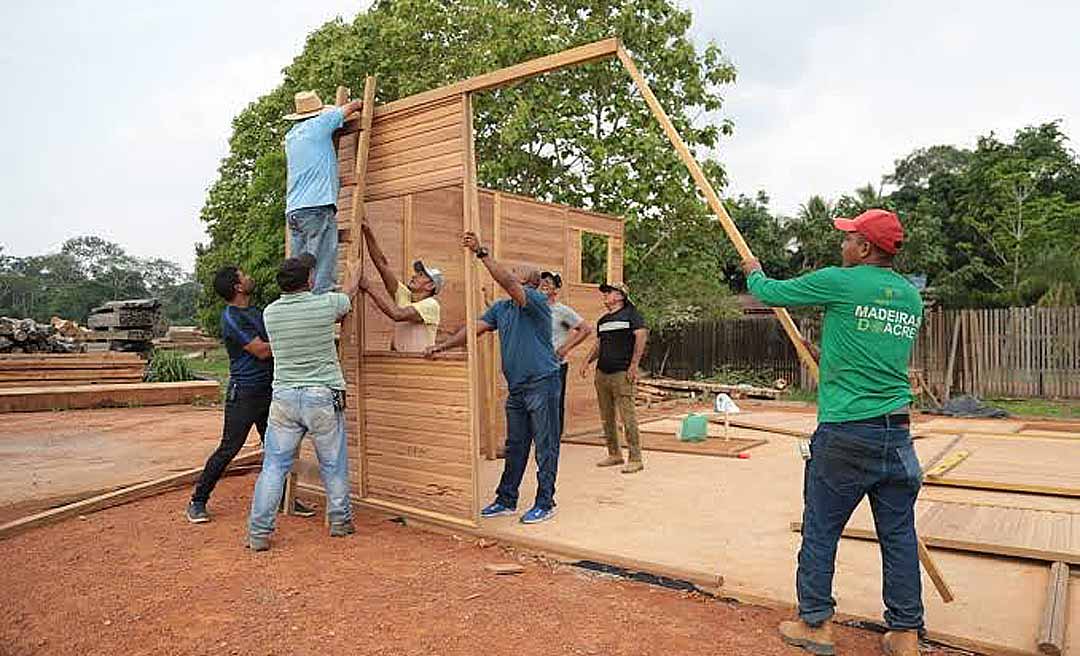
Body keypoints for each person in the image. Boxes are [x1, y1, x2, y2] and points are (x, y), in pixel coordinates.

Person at [741, 209, 925, 656]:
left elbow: (771, 293)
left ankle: (815, 624)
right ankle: (905, 633)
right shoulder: (909, 295)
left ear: (864, 248)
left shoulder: (841, 281)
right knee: (898, 535)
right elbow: (874, 356)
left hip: (846, 434)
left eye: (848, 239)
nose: (842, 245)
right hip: (897, 434)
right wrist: (824, 353)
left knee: (821, 529)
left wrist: (753, 272)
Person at [425, 232, 561, 524]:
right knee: (515, 445)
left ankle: (546, 502)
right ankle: (506, 499)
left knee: (546, 445)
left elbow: (507, 282)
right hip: (518, 388)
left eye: (517, 271)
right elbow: (474, 328)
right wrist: (443, 345)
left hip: (542, 382)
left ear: (528, 281)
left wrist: (482, 253)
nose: (511, 272)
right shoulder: (501, 309)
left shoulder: (535, 301)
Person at [247, 255, 363, 551]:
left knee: (273, 466)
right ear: (309, 279)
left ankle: (258, 533)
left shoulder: (270, 313)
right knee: (333, 463)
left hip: (284, 398)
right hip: (322, 396)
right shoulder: (325, 304)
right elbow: (348, 297)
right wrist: (354, 274)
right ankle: (339, 521)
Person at [186, 267, 315, 523]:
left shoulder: (257, 312)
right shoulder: (232, 317)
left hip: (270, 390)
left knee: (278, 448)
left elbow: (276, 338)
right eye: (243, 275)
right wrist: (297, 341)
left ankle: (283, 499)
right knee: (229, 448)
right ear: (237, 286)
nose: (249, 277)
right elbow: (261, 351)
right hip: (244, 394)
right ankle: (197, 501)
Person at [283, 90, 365, 294]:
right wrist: (359, 102)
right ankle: (322, 303)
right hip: (316, 207)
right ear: (317, 112)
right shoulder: (319, 124)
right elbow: (353, 107)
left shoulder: (292, 135)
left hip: (294, 211)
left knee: (299, 268)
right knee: (323, 264)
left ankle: (300, 305)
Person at [580, 282, 648, 474]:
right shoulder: (603, 321)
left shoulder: (632, 315)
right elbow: (600, 344)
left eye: (608, 292)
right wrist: (586, 361)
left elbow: (641, 337)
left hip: (622, 373)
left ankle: (635, 458)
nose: (605, 295)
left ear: (620, 295)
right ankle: (614, 454)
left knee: (628, 416)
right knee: (606, 416)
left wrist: (634, 365)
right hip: (602, 373)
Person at [356, 222, 444, 351]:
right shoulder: (405, 296)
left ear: (430, 285)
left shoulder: (431, 305)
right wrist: (368, 232)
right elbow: (382, 265)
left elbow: (397, 315)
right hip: (400, 363)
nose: (414, 276)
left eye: (420, 275)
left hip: (420, 366)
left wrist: (370, 288)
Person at [538, 271, 593, 437]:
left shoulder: (562, 312)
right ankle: (538, 436)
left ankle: (554, 437)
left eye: (549, 282)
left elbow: (585, 329)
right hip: (535, 364)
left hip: (555, 365)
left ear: (557, 288)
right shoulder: (534, 308)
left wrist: (565, 348)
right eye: (542, 281)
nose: (544, 284)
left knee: (554, 402)